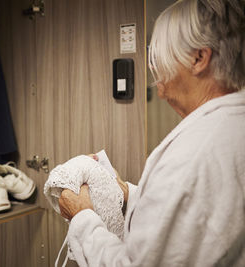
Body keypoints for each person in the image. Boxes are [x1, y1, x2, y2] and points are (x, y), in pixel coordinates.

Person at [58, 0, 245, 266]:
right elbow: (193, 221)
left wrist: (82, 216)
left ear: (198, 58)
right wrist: (127, 194)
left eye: (159, 57)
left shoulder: (191, 155)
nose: (155, 73)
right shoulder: (231, 127)